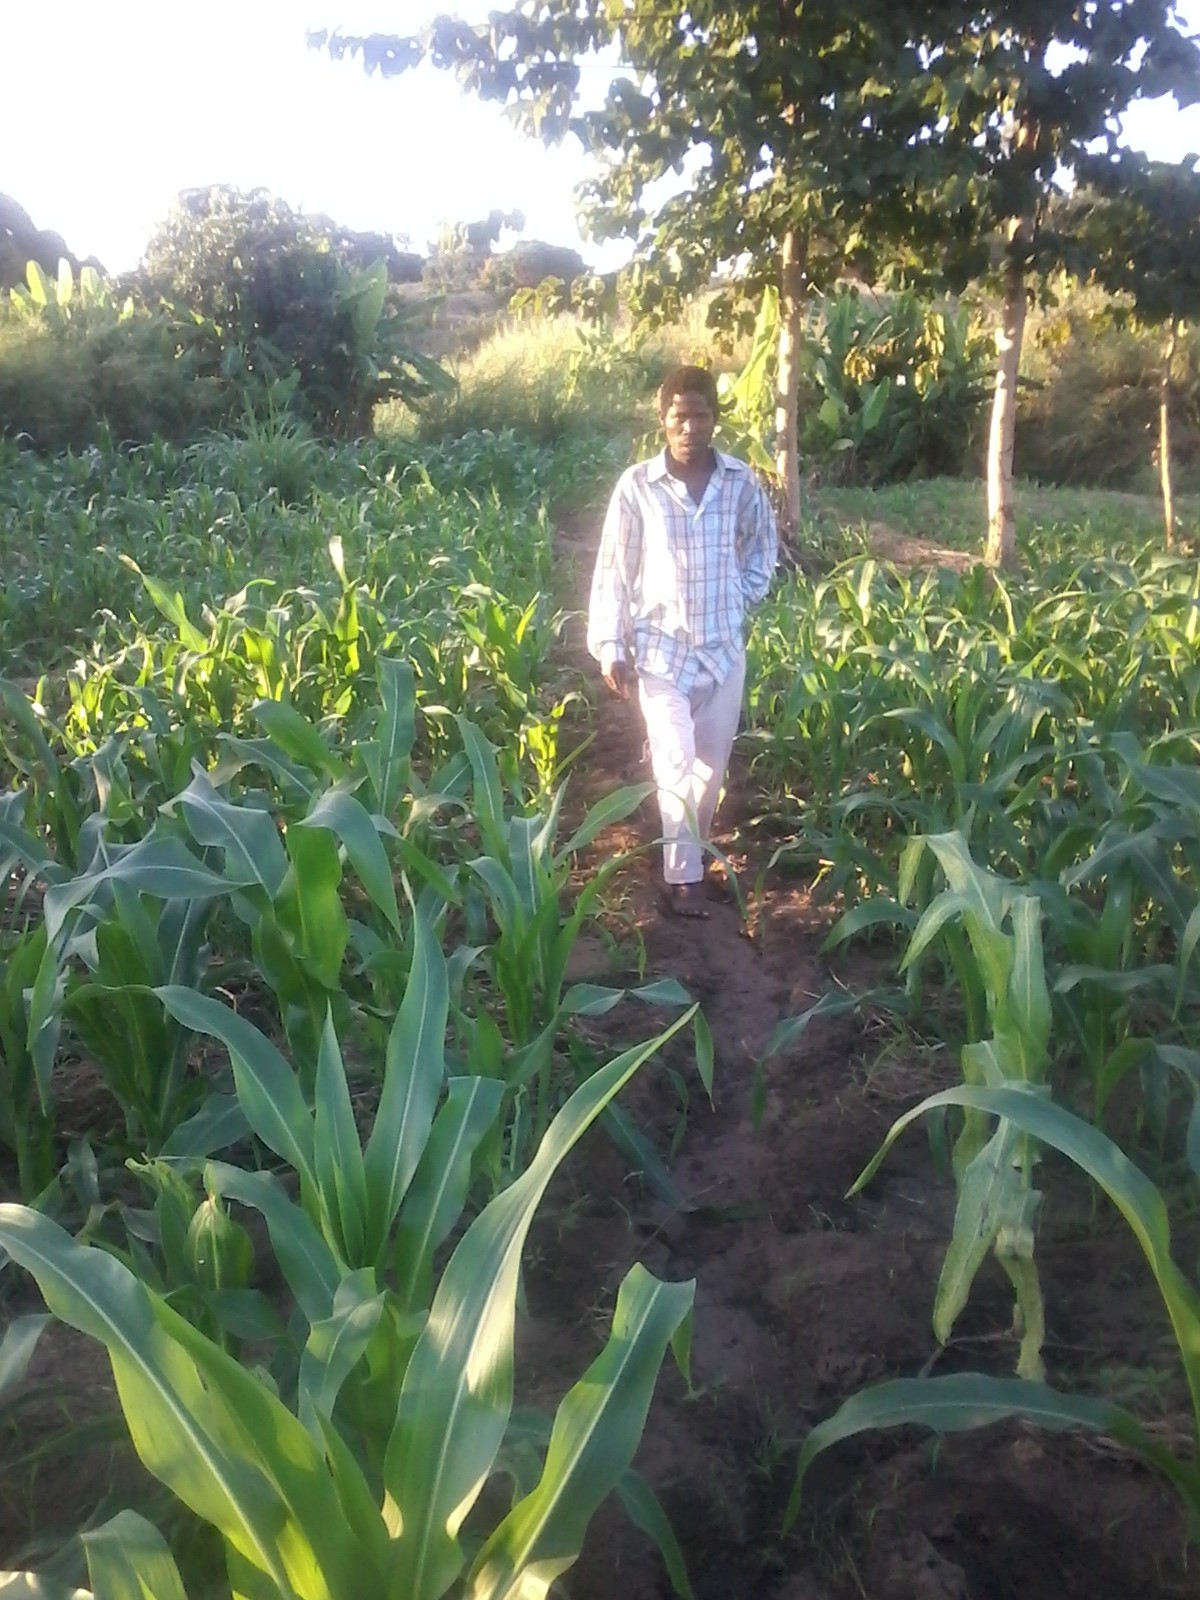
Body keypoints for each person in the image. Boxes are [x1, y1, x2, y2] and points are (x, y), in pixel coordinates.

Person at [587, 364, 778, 918]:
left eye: (700, 415)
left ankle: (685, 847)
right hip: (660, 652)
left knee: (709, 769)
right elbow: (613, 569)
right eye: (679, 417)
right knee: (675, 760)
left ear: (715, 419)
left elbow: (762, 546)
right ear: (662, 420)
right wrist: (610, 644)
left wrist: (741, 594)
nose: (690, 427)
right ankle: (685, 877)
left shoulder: (741, 481)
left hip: (722, 653)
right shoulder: (637, 487)